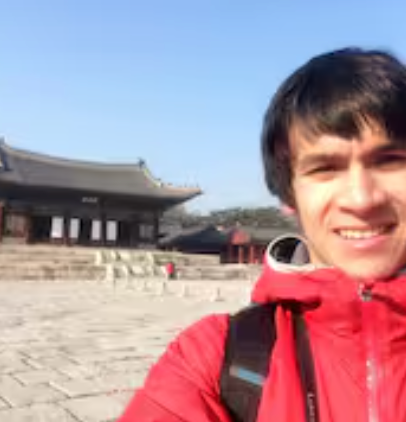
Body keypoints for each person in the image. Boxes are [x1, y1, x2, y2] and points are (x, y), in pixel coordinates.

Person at [117, 47, 406, 421]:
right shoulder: (215, 358)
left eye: (390, 160)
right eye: (325, 168)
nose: (362, 198)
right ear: (289, 194)